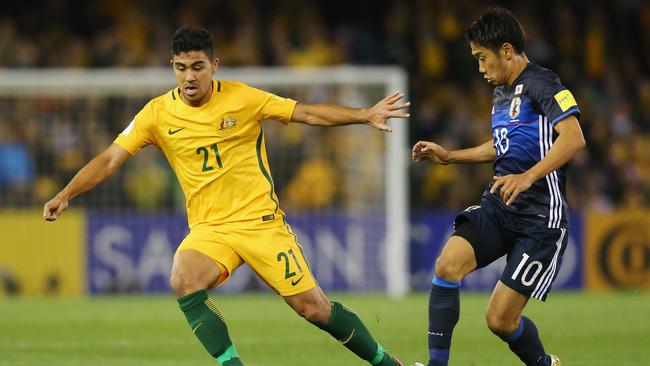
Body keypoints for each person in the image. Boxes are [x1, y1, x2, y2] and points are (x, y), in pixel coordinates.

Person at [43, 26, 409, 366]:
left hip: (260, 223)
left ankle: (389, 364)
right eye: (181, 67)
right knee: (183, 278)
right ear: (172, 66)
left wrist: (364, 115)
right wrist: (67, 192)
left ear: (214, 65)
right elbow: (109, 159)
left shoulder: (243, 99)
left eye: (198, 66)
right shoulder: (155, 114)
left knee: (314, 309)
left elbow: (307, 113)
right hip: (210, 229)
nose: (189, 76)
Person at [412, 8, 585, 366]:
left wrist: (528, 176)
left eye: (482, 58)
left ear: (506, 50)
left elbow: (573, 138)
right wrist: (450, 157)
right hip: (500, 205)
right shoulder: (502, 92)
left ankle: (543, 363)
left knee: (499, 321)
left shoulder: (544, 83)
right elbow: (500, 145)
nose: (480, 68)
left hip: (540, 219)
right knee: (447, 265)